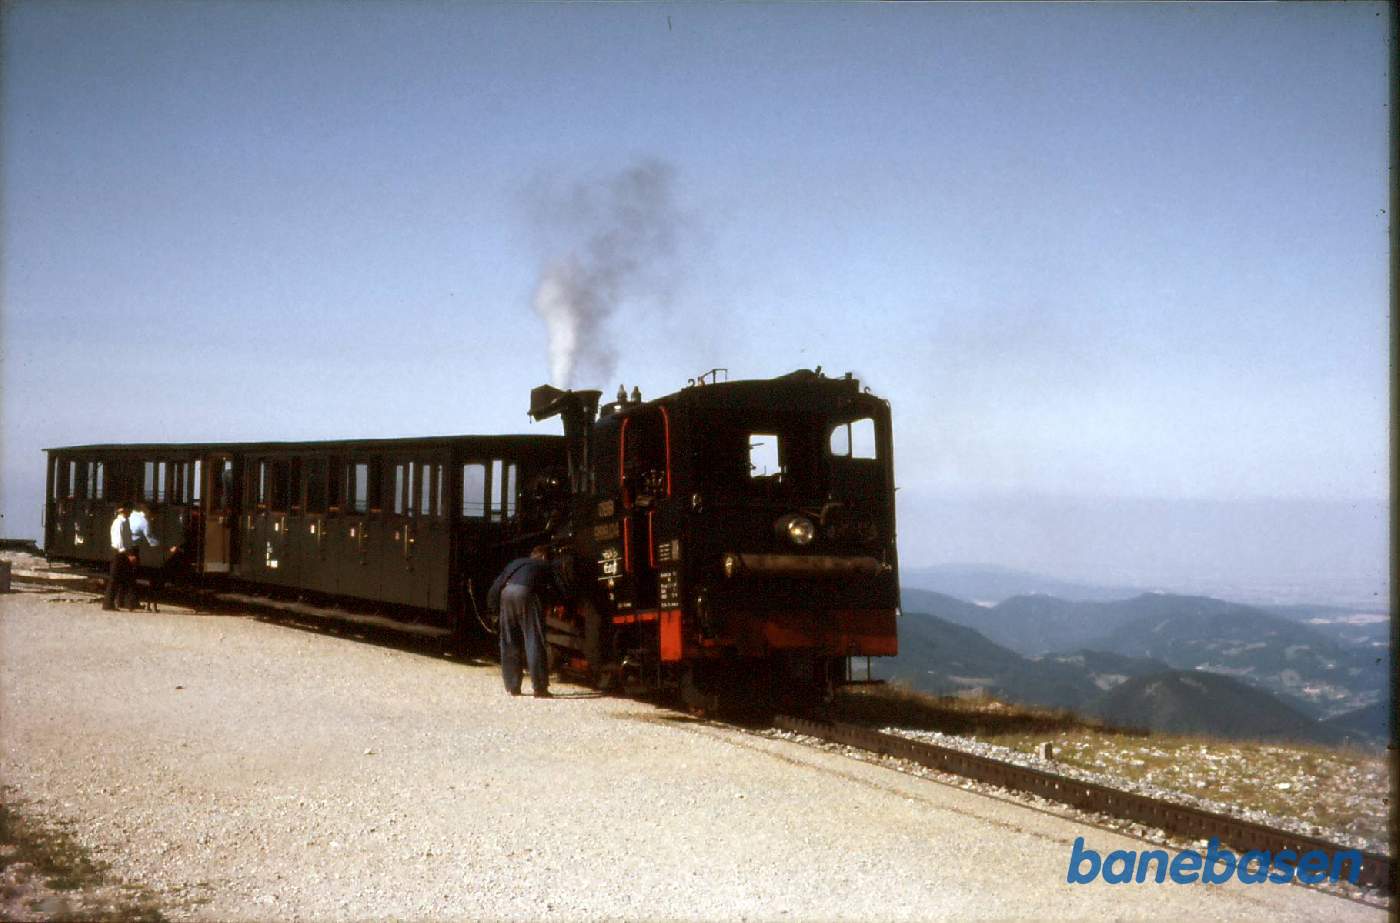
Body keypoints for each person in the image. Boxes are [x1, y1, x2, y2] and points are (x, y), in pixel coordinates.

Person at [486, 545, 567, 698]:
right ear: (543, 556)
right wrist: (565, 601)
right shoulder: (545, 565)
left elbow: (496, 586)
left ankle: (513, 686)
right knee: (533, 639)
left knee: (509, 641)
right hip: (526, 593)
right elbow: (559, 587)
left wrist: (493, 609)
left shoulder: (515, 563)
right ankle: (540, 687)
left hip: (506, 594)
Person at [102, 504, 137, 611]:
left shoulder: (125, 522)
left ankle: (127, 603)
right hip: (119, 554)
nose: (130, 512)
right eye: (129, 510)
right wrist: (129, 555)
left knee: (127, 578)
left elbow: (128, 540)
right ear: (123, 510)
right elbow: (119, 543)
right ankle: (108, 604)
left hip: (125, 553)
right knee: (114, 579)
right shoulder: (118, 523)